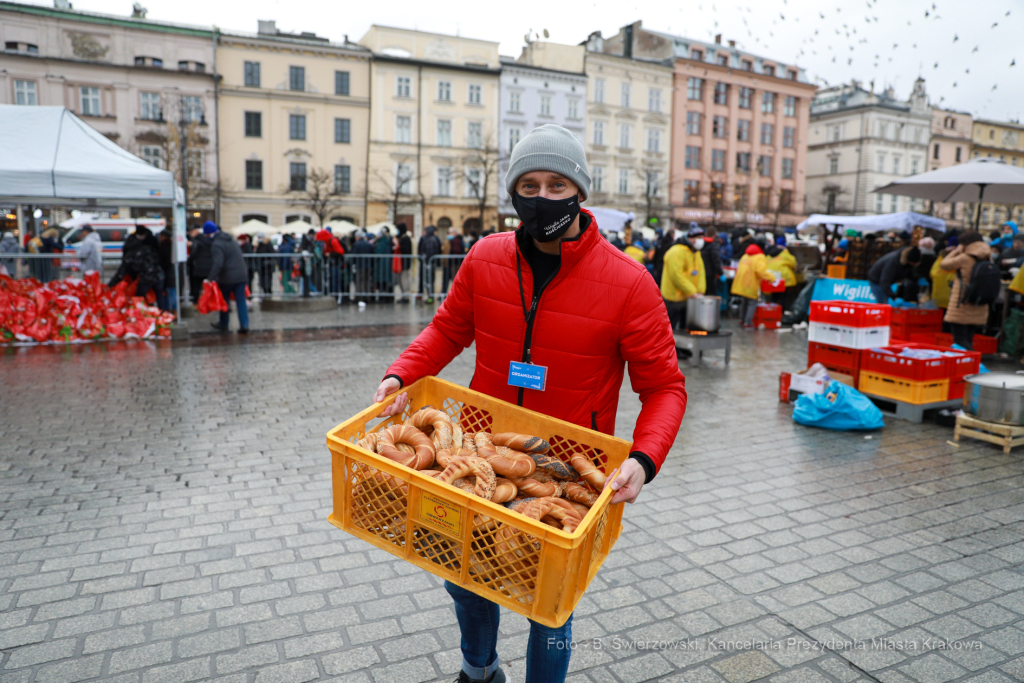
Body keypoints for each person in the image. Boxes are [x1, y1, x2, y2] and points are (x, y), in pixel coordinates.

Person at [371, 124, 686, 683]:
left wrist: (644, 459)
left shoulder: (629, 282)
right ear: (514, 192)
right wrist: (402, 374)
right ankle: (480, 668)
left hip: (568, 468)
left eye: (558, 185)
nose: (543, 198)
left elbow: (664, 387)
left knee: (550, 607)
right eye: (531, 185)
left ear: (580, 193)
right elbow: (447, 331)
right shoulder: (486, 257)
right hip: (476, 450)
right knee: (464, 576)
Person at [940, 231, 991, 350]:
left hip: (962, 303)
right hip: (978, 303)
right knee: (968, 338)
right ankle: (970, 364)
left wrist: (956, 250)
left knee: (960, 340)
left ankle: (975, 363)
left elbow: (944, 264)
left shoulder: (965, 258)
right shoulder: (987, 257)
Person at [205, 221, 250, 333]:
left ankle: (224, 323)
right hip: (241, 275)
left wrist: (210, 278)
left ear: (208, 234)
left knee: (224, 301)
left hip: (227, 277)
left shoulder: (217, 244)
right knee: (241, 301)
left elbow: (218, 263)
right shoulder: (231, 240)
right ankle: (244, 325)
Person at [660, 226, 706, 332]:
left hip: (688, 298)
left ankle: (682, 348)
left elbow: (700, 273)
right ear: (691, 238)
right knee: (670, 329)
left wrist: (700, 291)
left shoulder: (696, 252)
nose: (701, 240)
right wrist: (693, 291)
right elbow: (676, 275)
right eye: (699, 237)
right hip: (674, 298)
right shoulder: (676, 251)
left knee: (685, 329)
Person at [109, 226, 163, 300]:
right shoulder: (148, 249)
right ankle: (160, 310)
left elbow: (122, 269)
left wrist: (112, 284)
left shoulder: (134, 253)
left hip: (145, 277)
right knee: (158, 295)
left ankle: (143, 309)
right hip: (157, 276)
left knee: (139, 297)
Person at [731, 243, 770, 327]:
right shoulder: (760, 257)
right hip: (751, 284)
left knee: (744, 302)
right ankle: (747, 322)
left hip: (741, 283)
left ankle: (742, 320)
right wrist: (772, 278)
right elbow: (761, 271)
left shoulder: (745, 256)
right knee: (752, 303)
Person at [767, 236, 797, 309]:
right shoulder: (786, 254)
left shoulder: (770, 253)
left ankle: (773, 312)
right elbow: (793, 264)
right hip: (783, 279)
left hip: (771, 278)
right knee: (782, 297)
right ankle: (780, 313)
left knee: (774, 296)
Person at [316, 226, 346, 299]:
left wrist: (330, 254)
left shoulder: (333, 240)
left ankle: (335, 296)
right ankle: (332, 295)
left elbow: (340, 252)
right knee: (332, 280)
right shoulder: (328, 241)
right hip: (332, 264)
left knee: (335, 280)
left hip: (335, 263)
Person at [188, 225, 214, 304]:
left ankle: (196, 302)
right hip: (209, 267)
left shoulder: (197, 242)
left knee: (197, 286)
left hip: (199, 267)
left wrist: (189, 261)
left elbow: (193, 254)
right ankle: (210, 302)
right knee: (208, 286)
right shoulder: (210, 241)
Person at [417, 225, 442, 303]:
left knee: (428, 280)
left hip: (427, 263)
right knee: (429, 280)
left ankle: (430, 297)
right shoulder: (434, 238)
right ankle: (429, 296)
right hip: (430, 263)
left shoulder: (428, 239)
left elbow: (422, 250)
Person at [701, 226, 723, 299]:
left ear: (706, 233)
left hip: (700, 273)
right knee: (711, 295)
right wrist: (721, 273)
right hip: (710, 274)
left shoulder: (700, 244)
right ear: (715, 235)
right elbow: (715, 261)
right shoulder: (713, 245)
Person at [157, 228, 175, 311]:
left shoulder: (165, 246)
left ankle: (173, 310)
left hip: (168, 274)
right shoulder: (169, 245)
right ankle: (170, 310)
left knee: (171, 293)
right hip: (170, 273)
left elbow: (166, 261)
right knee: (169, 292)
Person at [396, 223, 414, 302]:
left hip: (405, 263)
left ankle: (406, 297)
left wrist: (398, 246)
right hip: (403, 263)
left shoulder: (405, 238)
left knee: (404, 280)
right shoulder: (404, 238)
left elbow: (405, 250)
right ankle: (404, 296)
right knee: (402, 280)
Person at [256, 232, 276, 297]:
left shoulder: (268, 244)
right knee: (262, 279)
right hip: (261, 266)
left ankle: (268, 290)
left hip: (268, 265)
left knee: (268, 278)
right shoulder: (259, 244)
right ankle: (265, 290)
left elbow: (272, 252)